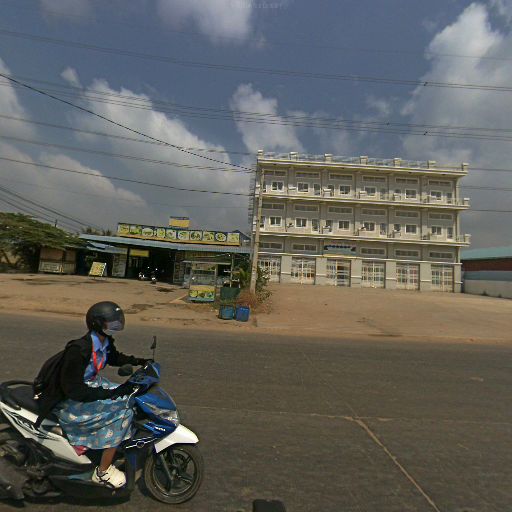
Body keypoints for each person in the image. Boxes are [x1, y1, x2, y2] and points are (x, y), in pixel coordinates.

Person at [35, 301, 150, 488]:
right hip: (72, 399)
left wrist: (139, 361)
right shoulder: (78, 350)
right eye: (111, 321)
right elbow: (74, 390)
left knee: (131, 398)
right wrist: (110, 394)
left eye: (117, 320)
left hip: (90, 386)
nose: (116, 324)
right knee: (123, 414)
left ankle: (113, 444)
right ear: (97, 324)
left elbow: (113, 357)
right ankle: (102, 471)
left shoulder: (104, 341)